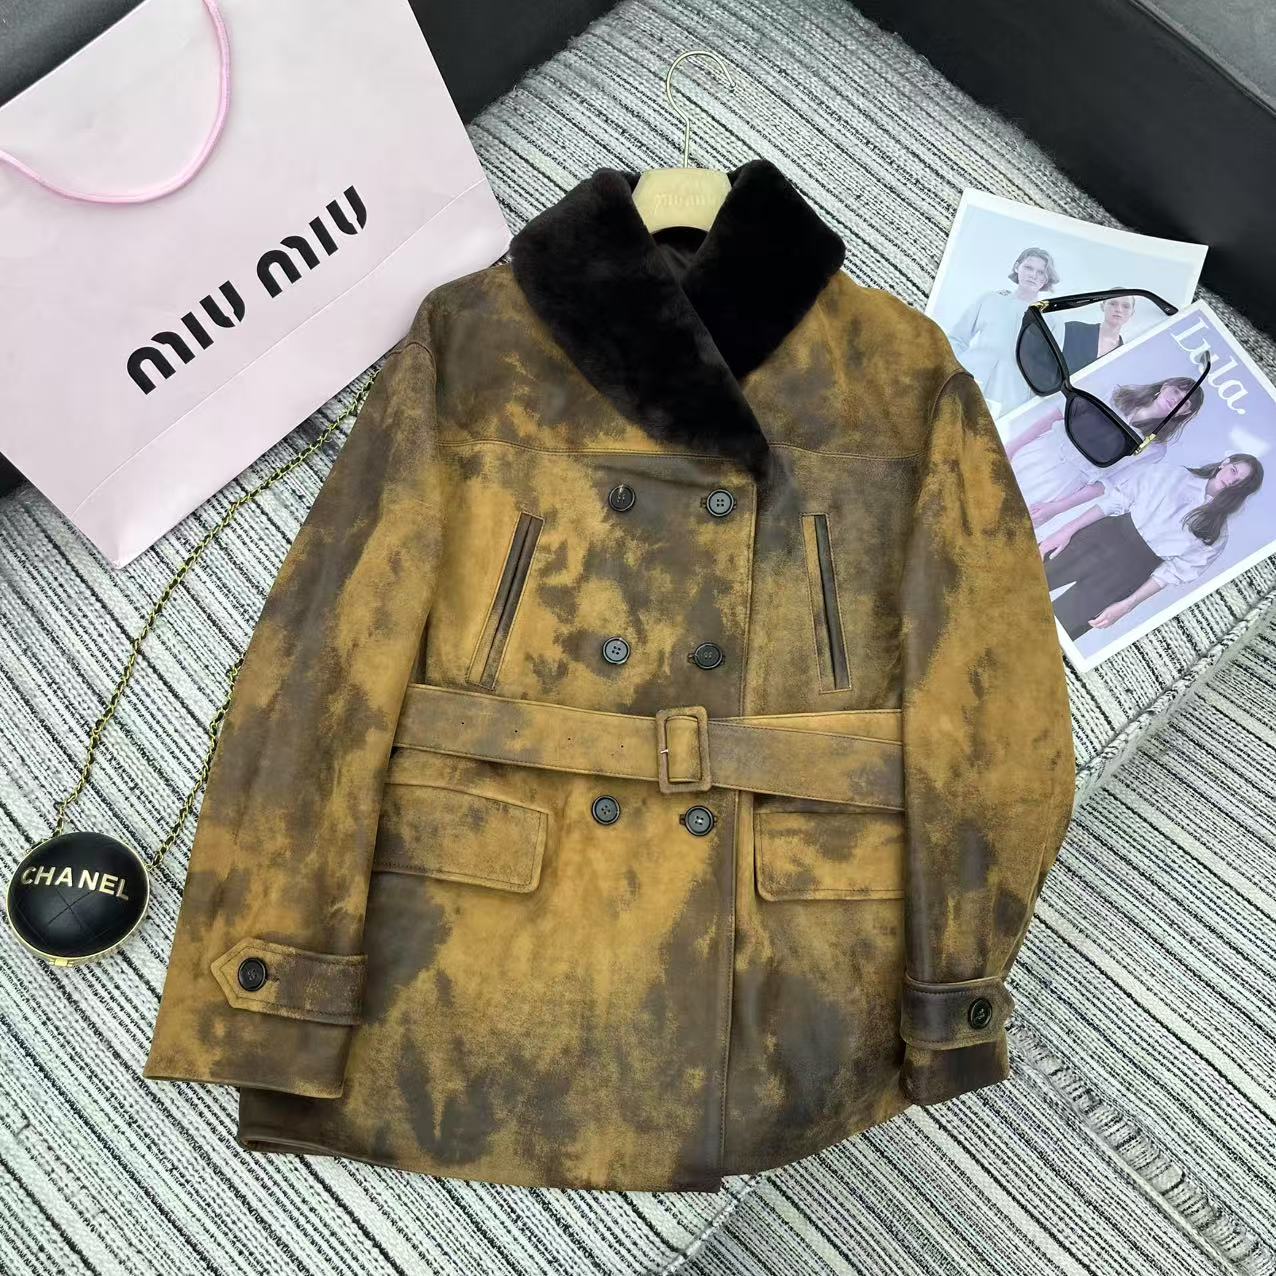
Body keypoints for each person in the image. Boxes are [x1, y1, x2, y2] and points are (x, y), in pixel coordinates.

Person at [1038, 453, 1263, 640]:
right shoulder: (1172, 474)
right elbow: (1116, 500)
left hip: (1127, 575)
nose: (1232, 481)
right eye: (1233, 471)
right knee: (1025, 578)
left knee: (1055, 631)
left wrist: (1127, 605)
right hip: (1099, 538)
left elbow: (1171, 574)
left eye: (1241, 483)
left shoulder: (1217, 533)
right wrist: (1066, 531)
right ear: (1225, 462)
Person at [1006, 374, 1206, 527]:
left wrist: (1056, 508)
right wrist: (1012, 447)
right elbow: (1057, 415)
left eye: (1185, 402)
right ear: (1165, 386)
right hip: (1040, 453)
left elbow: (1106, 484)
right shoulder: (1114, 395)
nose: (1177, 400)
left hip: (1061, 485)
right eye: (1176, 391)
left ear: (1185, 412)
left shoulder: (1155, 448)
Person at [945, 246, 1060, 417]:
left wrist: (1025, 410)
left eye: (1041, 272)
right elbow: (956, 338)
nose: (1033, 275)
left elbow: (1048, 372)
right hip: (967, 384)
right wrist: (959, 371)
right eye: (1028, 268)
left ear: (1046, 278)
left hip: (1009, 402)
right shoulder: (990, 300)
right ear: (1017, 267)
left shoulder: (1052, 320)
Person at [1059, 294, 1136, 374]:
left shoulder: (1123, 356)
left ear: (1132, 313)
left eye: (1126, 306)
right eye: (1113, 303)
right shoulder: (1072, 329)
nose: (1119, 310)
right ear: (1102, 306)